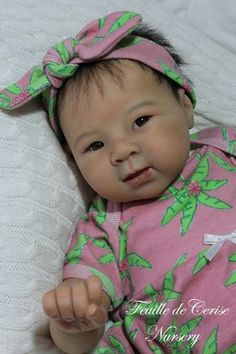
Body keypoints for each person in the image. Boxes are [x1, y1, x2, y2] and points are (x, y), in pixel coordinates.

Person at [0, 10, 236, 354]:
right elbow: (80, 336)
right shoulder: (103, 230)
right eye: (95, 145)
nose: (123, 151)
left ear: (185, 107)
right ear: (74, 162)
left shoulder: (223, 147)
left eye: (140, 120)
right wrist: (75, 324)